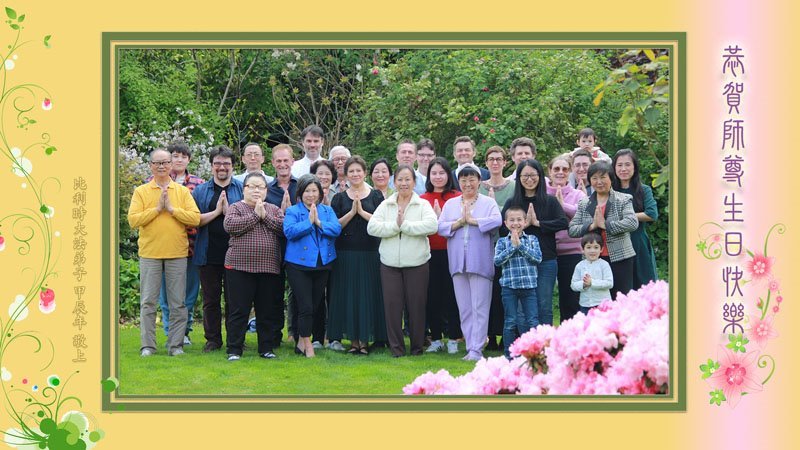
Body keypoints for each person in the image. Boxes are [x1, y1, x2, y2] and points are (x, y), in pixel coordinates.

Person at [128, 148, 201, 357]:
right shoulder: (141, 191)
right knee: (148, 302)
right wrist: (157, 209)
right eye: (157, 163)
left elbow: (195, 218)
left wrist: (172, 209)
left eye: (165, 162)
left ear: (171, 165)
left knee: (178, 303)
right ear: (150, 165)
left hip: (177, 253)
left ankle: (175, 345)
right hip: (150, 253)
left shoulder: (181, 191)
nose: (162, 166)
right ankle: (148, 346)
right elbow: (133, 220)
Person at [368, 165, 438, 357]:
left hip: (417, 264)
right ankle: (397, 349)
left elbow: (432, 225)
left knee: (416, 307)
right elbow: (372, 228)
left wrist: (405, 226)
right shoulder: (387, 204)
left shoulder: (422, 204)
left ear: (414, 182)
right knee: (392, 307)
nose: (404, 183)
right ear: (394, 182)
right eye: (400, 179)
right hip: (389, 265)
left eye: (408, 179)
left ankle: (417, 348)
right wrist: (395, 226)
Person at [438, 166, 502, 361]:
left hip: (480, 262)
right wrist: (459, 222)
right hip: (458, 262)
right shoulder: (451, 204)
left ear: (479, 181)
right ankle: (470, 346)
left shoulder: (488, 202)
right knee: (465, 308)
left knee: (479, 307)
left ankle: (477, 349)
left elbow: (497, 221)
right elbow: (440, 227)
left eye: (472, 179)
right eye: (464, 180)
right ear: (459, 182)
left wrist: (472, 221)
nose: (468, 184)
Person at [147, 141, 204, 347]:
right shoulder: (151, 183)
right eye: (175, 156)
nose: (179, 160)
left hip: (191, 246)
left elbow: (197, 215)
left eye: (183, 156)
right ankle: (169, 331)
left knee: (187, 294)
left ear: (189, 160)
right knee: (165, 296)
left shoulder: (198, 184)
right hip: (161, 246)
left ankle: (184, 332)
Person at [328, 156, 387, 355]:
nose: (355, 174)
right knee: (349, 297)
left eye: (358, 171)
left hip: (370, 254)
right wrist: (352, 213)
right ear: (346, 174)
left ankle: (365, 340)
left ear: (365, 173)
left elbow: (382, 223)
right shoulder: (339, 198)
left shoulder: (376, 196)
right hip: (345, 254)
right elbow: (334, 226)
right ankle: (354, 342)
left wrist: (361, 212)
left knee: (367, 296)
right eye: (351, 171)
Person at [223, 173, 284, 361]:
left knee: (266, 311)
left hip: (268, 267)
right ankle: (234, 349)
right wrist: (255, 215)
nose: (256, 190)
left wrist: (264, 216)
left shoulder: (273, 209)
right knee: (238, 310)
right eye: (252, 186)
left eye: (261, 187)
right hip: (239, 266)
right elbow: (230, 226)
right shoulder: (236, 207)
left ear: (266, 191)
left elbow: (283, 229)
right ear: (244, 189)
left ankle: (266, 348)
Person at [191, 145, 244, 353]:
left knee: (235, 300)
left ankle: (234, 339)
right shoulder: (201, 191)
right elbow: (194, 220)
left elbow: (248, 219)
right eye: (218, 163)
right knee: (210, 300)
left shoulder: (241, 188)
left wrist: (228, 212)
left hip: (236, 253)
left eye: (226, 163)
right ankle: (212, 340)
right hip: (208, 253)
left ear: (233, 166)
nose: (222, 167)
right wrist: (217, 212)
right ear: (212, 165)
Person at [502, 160, 568, 326]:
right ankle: (525, 341)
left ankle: (545, 340)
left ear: (540, 176)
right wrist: (522, 226)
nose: (529, 179)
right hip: (519, 262)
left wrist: (538, 223)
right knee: (521, 308)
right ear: (519, 178)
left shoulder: (550, 201)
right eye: (525, 175)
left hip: (546, 259)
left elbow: (562, 223)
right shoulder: (512, 203)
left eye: (533, 175)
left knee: (544, 304)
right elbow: (502, 230)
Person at [283, 174, 342, 358]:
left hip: (322, 264)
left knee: (315, 305)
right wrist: (308, 222)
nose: (311, 195)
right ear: (300, 193)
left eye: (314, 191)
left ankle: (301, 342)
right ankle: (308, 345)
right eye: (307, 191)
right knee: (305, 306)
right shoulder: (293, 211)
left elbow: (337, 229)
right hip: (298, 265)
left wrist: (319, 222)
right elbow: (289, 231)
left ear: (320, 193)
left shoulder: (327, 211)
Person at [568, 161, 638, 299]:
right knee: (597, 298)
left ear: (611, 178)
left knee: (621, 298)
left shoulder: (623, 199)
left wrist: (605, 225)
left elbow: (632, 223)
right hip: (593, 258)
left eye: (603, 177)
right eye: (594, 178)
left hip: (620, 258)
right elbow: (572, 229)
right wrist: (592, 225)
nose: (599, 182)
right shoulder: (584, 203)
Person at [420, 157, 463, 354]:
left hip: (452, 251)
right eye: (434, 173)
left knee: (452, 296)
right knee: (432, 296)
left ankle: (454, 337)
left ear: (448, 175)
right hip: (429, 253)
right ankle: (436, 338)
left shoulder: (457, 197)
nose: (438, 177)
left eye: (441, 173)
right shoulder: (422, 199)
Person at [493, 205, 542, 359]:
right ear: (506, 223)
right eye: (512, 220)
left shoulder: (532, 239)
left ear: (525, 221)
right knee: (510, 321)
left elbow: (537, 258)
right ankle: (509, 356)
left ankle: (535, 353)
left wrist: (520, 246)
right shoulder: (502, 242)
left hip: (529, 287)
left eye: (519, 220)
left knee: (533, 320)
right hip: (509, 288)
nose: (515, 223)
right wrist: (512, 247)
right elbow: (497, 261)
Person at [479, 146, 515, 350]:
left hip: (506, 245)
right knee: (487, 292)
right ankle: (490, 335)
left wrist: (494, 208)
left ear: (505, 162)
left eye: (499, 159)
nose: (495, 162)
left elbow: (515, 213)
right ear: (486, 163)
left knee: (504, 291)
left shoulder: (513, 187)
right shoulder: (479, 187)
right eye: (491, 159)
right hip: (484, 244)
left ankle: (505, 334)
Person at [547, 154, 587, 322]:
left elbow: (583, 214)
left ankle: (571, 332)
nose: (560, 172)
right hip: (547, 253)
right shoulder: (542, 193)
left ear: (570, 172)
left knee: (570, 298)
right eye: (556, 168)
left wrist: (562, 205)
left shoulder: (578, 194)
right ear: (549, 171)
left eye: (564, 169)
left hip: (571, 252)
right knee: (543, 298)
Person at [612, 148, 659, 289]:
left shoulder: (643, 190)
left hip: (638, 243)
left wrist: (625, 217)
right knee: (621, 288)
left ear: (634, 167)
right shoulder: (610, 190)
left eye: (627, 164)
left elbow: (652, 214)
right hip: (616, 244)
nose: (623, 169)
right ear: (614, 168)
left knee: (644, 286)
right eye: (619, 165)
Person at [265, 144, 298, 345]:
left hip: (297, 247)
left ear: (293, 161)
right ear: (272, 163)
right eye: (279, 161)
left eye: (286, 160)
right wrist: (281, 214)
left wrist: (290, 212)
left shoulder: (301, 187)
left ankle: (297, 334)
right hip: (274, 246)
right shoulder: (267, 190)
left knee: (298, 292)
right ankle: (274, 335)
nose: (283, 164)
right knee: (273, 294)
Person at [570, 232, 614, 315]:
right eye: (588, 247)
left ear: (601, 249)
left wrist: (592, 282)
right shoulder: (579, 266)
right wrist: (583, 284)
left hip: (602, 304)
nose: (592, 251)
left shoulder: (604, 265)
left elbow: (609, 283)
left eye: (596, 247)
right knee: (587, 323)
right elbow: (573, 285)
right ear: (583, 249)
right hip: (585, 305)